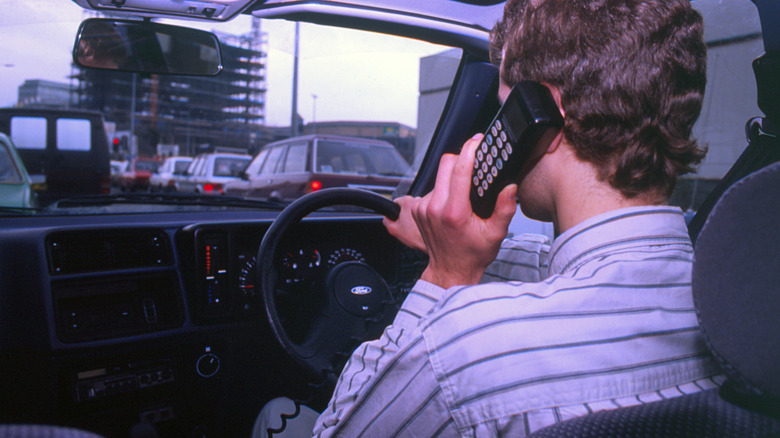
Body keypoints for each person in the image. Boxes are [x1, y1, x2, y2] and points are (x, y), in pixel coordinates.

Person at [253, 0, 722, 435]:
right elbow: (573, 266)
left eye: (502, 111)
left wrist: (445, 276)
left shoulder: (470, 345)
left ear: (548, 117)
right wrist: (448, 241)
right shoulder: (730, 300)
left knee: (274, 413)